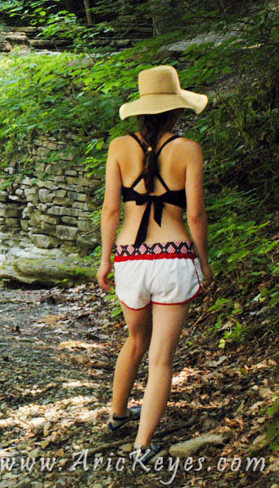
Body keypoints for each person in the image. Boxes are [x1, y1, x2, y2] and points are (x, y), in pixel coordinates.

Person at [96, 65, 212, 468]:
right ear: (176, 110)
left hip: (130, 259)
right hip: (175, 259)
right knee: (161, 358)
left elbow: (111, 210)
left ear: (142, 109)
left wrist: (104, 259)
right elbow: (195, 215)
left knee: (134, 340)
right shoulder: (189, 149)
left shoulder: (118, 147)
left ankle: (117, 415)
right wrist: (204, 260)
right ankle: (142, 444)